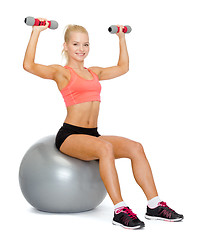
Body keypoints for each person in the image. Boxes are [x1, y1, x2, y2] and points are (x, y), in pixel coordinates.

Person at [23, 18, 183, 229]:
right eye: (76, 44)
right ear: (65, 46)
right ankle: (119, 210)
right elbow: (28, 65)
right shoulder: (61, 72)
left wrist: (121, 37)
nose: (81, 49)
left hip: (92, 134)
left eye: (85, 44)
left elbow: (123, 67)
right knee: (105, 148)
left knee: (136, 147)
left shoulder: (93, 73)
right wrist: (36, 32)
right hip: (70, 136)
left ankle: (154, 205)